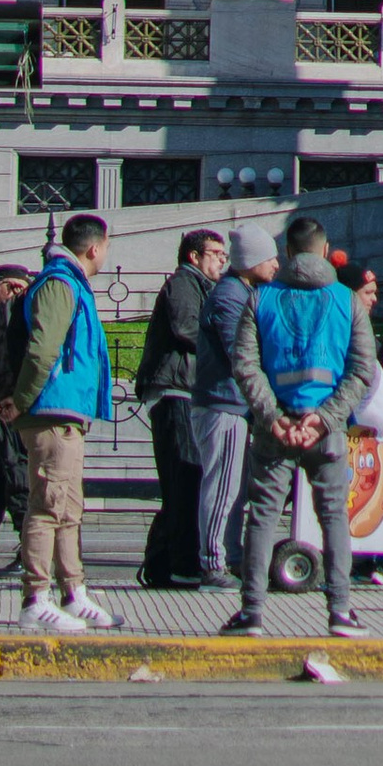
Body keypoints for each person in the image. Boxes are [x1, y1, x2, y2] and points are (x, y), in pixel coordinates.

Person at [220, 212, 379, 639]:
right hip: (323, 432)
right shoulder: (347, 301)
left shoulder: (259, 300)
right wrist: (324, 419)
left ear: (287, 253)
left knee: (263, 517)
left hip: (275, 431)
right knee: (333, 517)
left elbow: (246, 365)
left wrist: (273, 417)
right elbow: (362, 371)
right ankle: (340, 612)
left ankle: (252, 613)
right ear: (325, 252)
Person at [4, 211, 119, 633]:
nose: (106, 253)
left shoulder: (72, 283)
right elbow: (42, 350)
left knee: (68, 508)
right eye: (106, 246)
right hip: (51, 409)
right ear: (94, 248)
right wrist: (21, 401)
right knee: (48, 506)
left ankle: (74, 593)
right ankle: (36, 598)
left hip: (67, 411)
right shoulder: (60, 283)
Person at [134, 228, 225, 586]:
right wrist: (224, 344)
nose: (221, 259)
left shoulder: (199, 286)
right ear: (194, 256)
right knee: (185, 478)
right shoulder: (184, 285)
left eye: (224, 254)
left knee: (181, 482)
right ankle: (182, 566)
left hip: (184, 390)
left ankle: (159, 565)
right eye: (216, 253)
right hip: (176, 390)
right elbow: (186, 328)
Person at [192, 224, 271, 587]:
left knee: (233, 488)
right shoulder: (229, 296)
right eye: (268, 256)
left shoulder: (240, 292)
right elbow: (239, 353)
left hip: (233, 405)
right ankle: (213, 562)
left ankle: (231, 556)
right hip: (223, 404)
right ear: (250, 259)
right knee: (222, 486)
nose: (275, 263)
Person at [0, 259, 35, 575]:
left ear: (11, 286)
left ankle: (30, 556)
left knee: (17, 482)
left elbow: (26, 359)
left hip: (12, 413)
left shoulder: (17, 312)